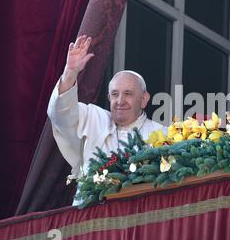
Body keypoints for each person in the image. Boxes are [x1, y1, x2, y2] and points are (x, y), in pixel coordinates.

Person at [47, 35, 167, 204]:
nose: (120, 101)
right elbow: (60, 113)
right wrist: (70, 73)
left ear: (144, 99)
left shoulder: (162, 134)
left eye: (128, 94)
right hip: (90, 217)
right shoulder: (93, 118)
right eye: (114, 94)